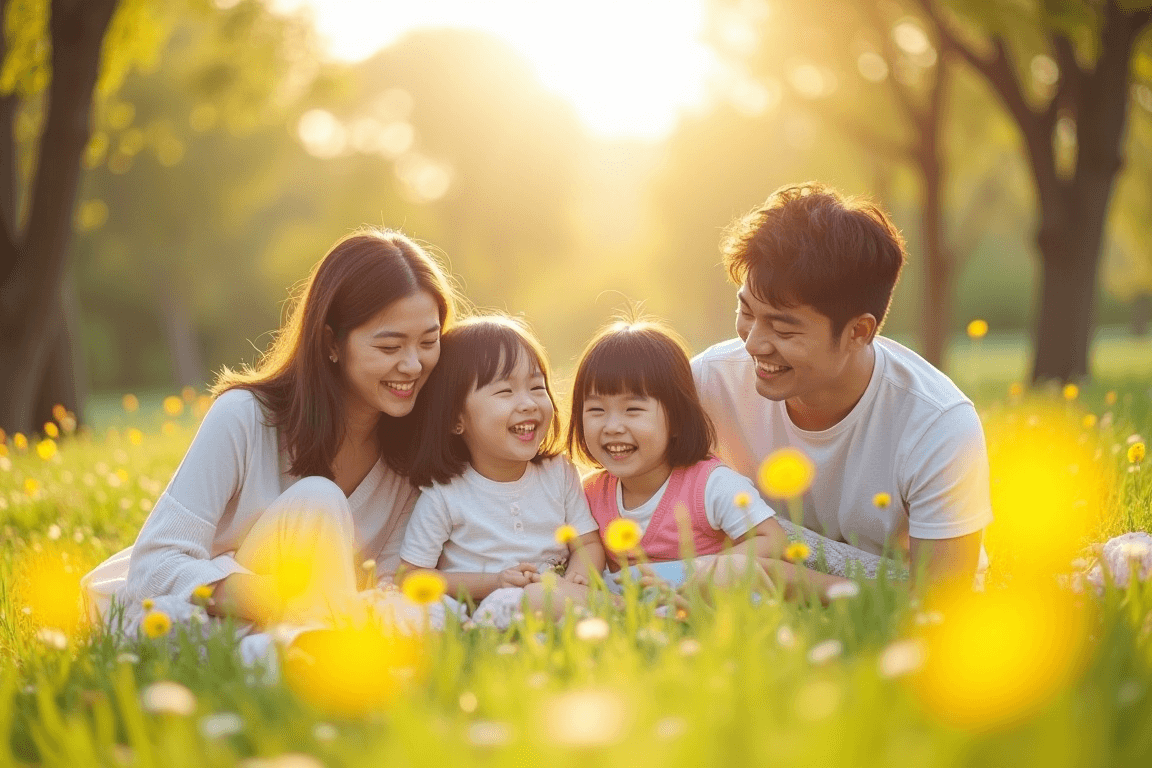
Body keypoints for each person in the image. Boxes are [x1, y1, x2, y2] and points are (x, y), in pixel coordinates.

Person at [82, 228, 459, 631]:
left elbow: (388, 587)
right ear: (332, 342)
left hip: (303, 623)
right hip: (180, 612)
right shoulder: (244, 416)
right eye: (389, 347)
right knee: (318, 499)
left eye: (428, 342)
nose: (414, 365)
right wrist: (283, 598)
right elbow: (155, 565)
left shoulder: (412, 456)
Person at [691, 183, 993, 589]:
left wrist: (780, 576)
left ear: (858, 332)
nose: (753, 343)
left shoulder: (937, 424)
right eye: (745, 310)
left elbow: (943, 596)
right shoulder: (710, 383)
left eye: (783, 328)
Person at [568, 318, 858, 599]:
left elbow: (772, 540)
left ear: (677, 419)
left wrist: (698, 571)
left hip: (710, 602)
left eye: (633, 410)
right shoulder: (591, 492)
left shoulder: (709, 484)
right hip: (641, 612)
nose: (613, 426)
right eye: (596, 410)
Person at [398, 315, 606, 625]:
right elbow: (412, 577)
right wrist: (496, 582)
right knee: (418, 613)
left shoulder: (557, 471)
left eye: (537, 387)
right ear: (457, 419)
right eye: (505, 392)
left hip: (545, 598)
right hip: (478, 604)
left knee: (543, 601)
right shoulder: (445, 493)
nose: (528, 403)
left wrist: (575, 580)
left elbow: (587, 543)